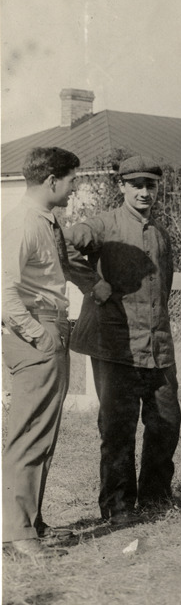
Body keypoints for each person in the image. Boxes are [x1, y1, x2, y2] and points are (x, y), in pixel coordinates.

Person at [64, 156, 181, 525]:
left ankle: (156, 497)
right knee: (118, 428)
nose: (144, 192)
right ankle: (118, 506)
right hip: (116, 345)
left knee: (166, 422)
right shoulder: (104, 225)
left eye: (150, 185)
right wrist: (92, 284)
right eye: (136, 185)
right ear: (122, 187)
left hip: (158, 346)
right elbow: (62, 244)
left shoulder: (160, 233)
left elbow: (164, 288)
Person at [1, 147, 81, 560]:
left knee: (43, 431)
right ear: (52, 180)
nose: (74, 188)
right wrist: (38, 336)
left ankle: (30, 522)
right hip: (36, 330)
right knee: (29, 432)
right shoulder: (23, 223)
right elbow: (4, 292)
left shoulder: (42, 221)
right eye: (71, 180)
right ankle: (16, 533)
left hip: (48, 326)